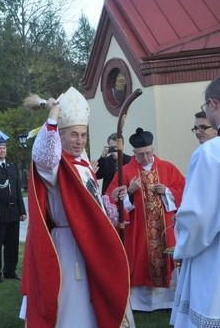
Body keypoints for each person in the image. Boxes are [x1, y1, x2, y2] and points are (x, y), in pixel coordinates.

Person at [22, 87, 130, 327]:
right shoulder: (56, 166)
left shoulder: (84, 164)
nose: (80, 140)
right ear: (60, 136)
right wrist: (52, 117)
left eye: (83, 135)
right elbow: (43, 156)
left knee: (97, 299)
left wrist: (110, 199)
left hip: (91, 241)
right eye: (73, 135)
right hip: (68, 243)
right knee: (73, 304)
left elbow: (91, 202)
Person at [107, 128, 185, 311]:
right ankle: (141, 303)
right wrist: (131, 191)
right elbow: (111, 201)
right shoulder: (125, 171)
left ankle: (168, 301)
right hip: (138, 230)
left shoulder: (167, 168)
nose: (146, 157)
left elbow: (184, 191)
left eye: (149, 153)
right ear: (134, 153)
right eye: (141, 154)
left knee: (166, 258)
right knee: (140, 259)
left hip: (164, 228)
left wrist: (167, 191)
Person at [171, 77, 220, 327]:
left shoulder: (209, 153)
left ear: (212, 104)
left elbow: (198, 218)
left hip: (213, 258)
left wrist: (181, 243)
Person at [0, 132, 26, 283]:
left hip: (13, 211)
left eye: (4, 148)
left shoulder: (12, 166)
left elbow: (17, 191)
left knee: (12, 243)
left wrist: (22, 211)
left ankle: (10, 270)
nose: (2, 150)